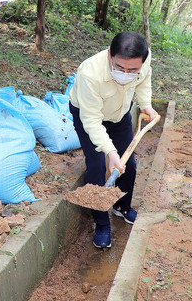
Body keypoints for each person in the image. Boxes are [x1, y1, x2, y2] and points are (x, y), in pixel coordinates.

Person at [68, 31, 157, 249]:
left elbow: (144, 80)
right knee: (97, 166)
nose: (126, 73)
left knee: (129, 165)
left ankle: (122, 207)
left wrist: (145, 104)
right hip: (89, 115)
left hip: (119, 114)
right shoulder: (90, 73)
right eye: (119, 68)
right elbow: (92, 121)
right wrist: (110, 152)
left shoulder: (144, 62)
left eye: (132, 70)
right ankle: (101, 222)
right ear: (110, 55)